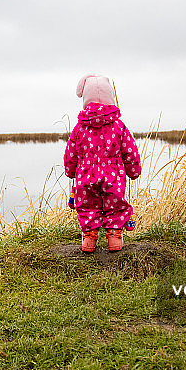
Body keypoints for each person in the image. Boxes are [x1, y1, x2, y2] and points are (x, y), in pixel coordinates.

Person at [64, 74, 141, 252]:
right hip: (113, 175)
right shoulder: (119, 126)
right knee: (114, 204)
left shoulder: (79, 128)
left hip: (85, 175)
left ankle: (89, 240)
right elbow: (130, 151)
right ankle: (114, 238)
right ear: (110, 99)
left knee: (88, 206)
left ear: (85, 100)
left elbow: (70, 154)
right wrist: (133, 171)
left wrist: (70, 171)